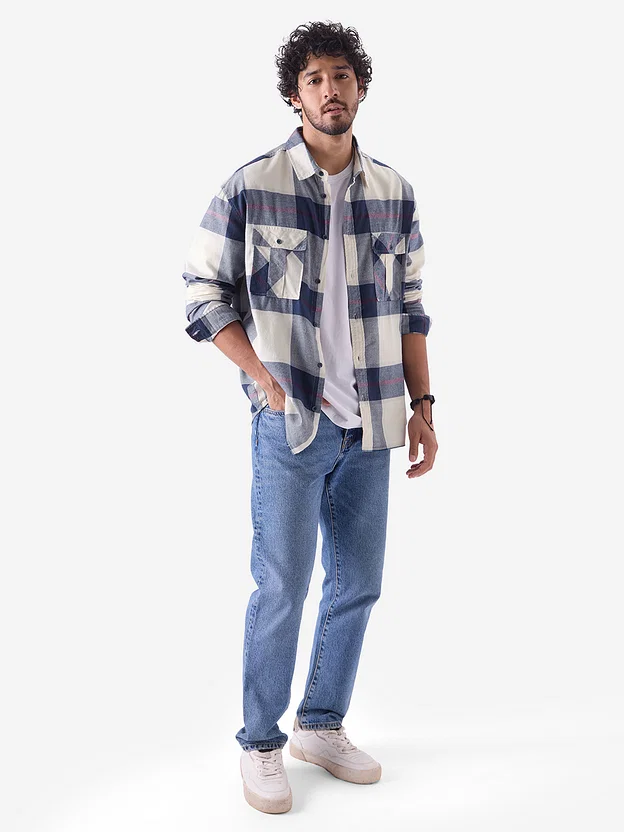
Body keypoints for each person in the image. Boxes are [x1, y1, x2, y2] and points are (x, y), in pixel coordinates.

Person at [182, 20, 438, 814]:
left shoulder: (394, 192)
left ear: (360, 87)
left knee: (358, 583)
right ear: (295, 96)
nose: (331, 91)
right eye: (315, 79)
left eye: (342, 76)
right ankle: (261, 743)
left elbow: (411, 309)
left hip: (373, 424)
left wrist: (424, 406)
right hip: (290, 423)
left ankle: (320, 725)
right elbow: (202, 292)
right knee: (283, 587)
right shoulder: (252, 185)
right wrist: (262, 378)